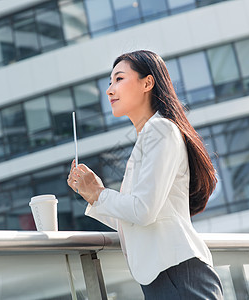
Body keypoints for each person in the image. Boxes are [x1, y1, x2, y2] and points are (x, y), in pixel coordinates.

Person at [67, 50, 223, 299]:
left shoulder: (159, 130)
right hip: (167, 276)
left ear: (147, 83)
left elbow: (143, 211)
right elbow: (136, 219)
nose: (109, 90)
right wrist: (93, 195)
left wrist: (99, 193)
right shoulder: (149, 135)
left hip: (176, 274)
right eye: (110, 82)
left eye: (119, 79)